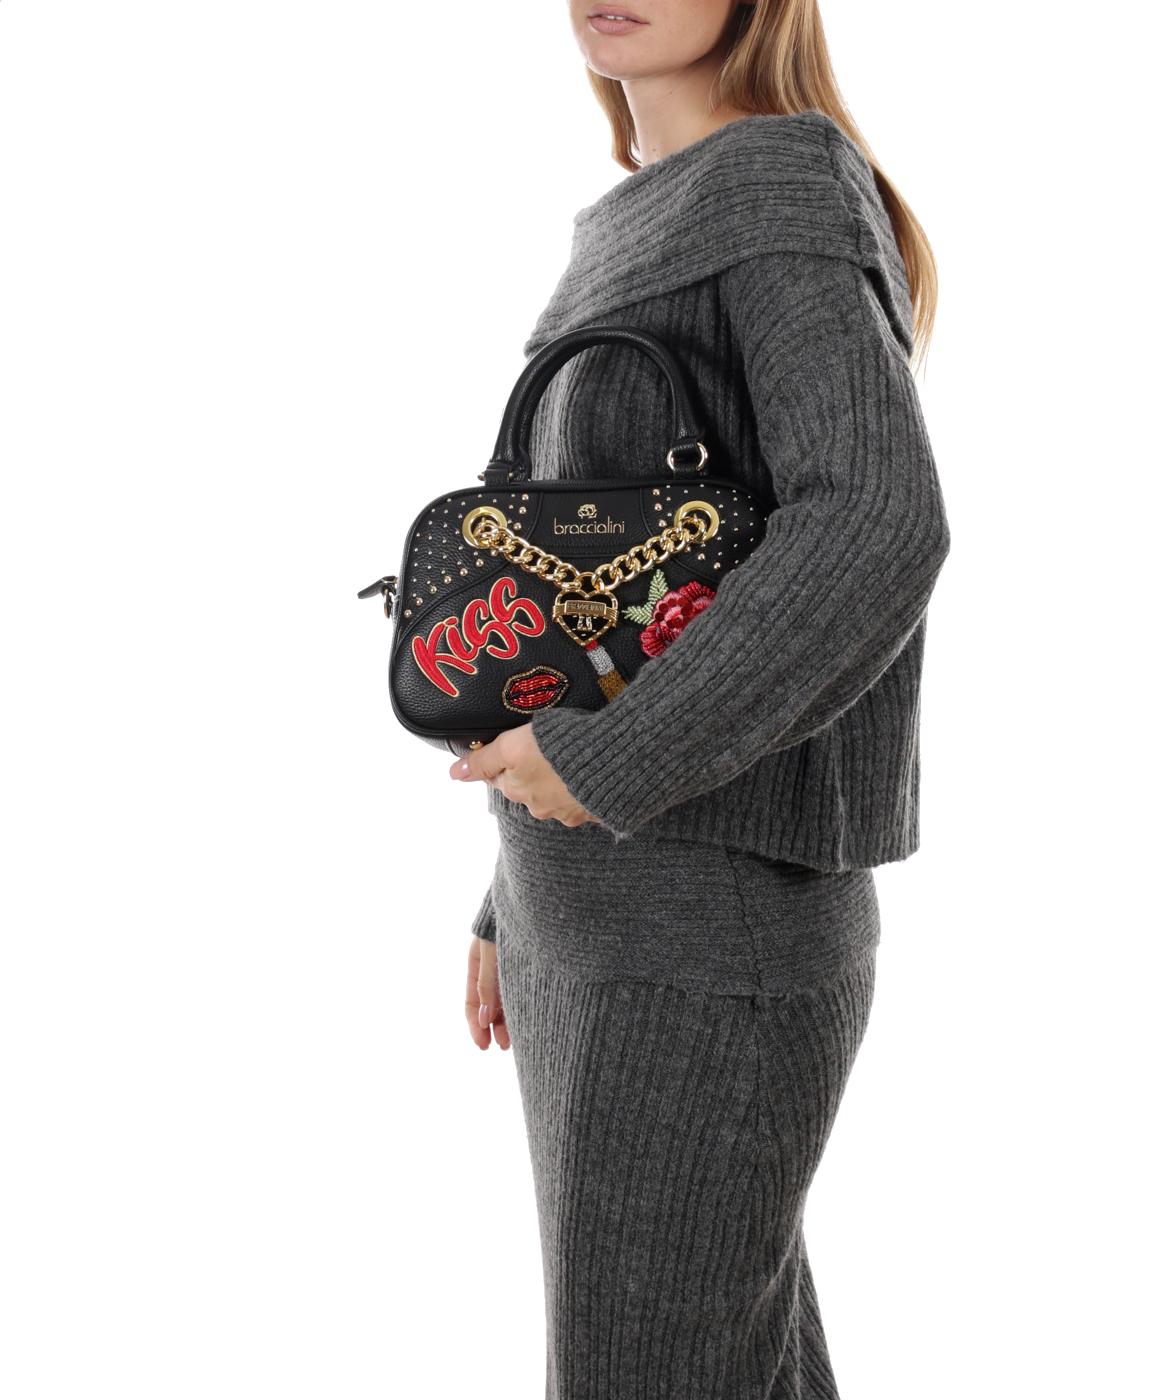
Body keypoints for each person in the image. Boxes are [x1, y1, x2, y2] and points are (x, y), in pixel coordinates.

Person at [451, 2, 948, 1394]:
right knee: (720, 1364)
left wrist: (608, 764)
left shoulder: (775, 187)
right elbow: (602, 600)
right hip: (597, 912)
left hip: (704, 920)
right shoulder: (644, 212)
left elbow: (877, 522)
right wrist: (511, 891)